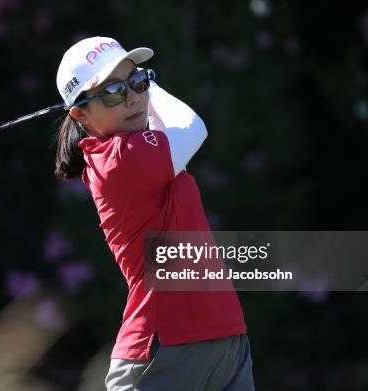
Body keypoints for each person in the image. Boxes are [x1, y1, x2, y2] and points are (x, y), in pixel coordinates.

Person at [54, 36, 255, 391]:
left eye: (136, 83)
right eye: (113, 91)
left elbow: (173, 130)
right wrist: (151, 85)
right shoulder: (117, 160)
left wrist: (141, 84)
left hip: (224, 335)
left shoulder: (147, 149)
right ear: (80, 114)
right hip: (164, 346)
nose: (132, 98)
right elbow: (193, 126)